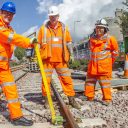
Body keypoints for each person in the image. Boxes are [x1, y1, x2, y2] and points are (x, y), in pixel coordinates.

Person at [0, 1, 37, 126]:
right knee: (10, 90)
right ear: (1, 12)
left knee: (11, 90)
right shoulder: (1, 27)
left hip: (3, 67)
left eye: (11, 14)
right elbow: (12, 38)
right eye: (6, 13)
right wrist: (28, 41)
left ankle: (16, 117)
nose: (8, 15)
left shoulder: (8, 27)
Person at [38, 6, 80, 109]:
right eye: (51, 16)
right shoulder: (43, 29)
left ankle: (71, 100)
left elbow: (69, 42)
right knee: (46, 80)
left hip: (61, 59)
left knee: (67, 79)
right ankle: (47, 100)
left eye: (55, 16)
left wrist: (72, 55)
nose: (53, 18)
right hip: (47, 60)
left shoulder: (64, 28)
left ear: (58, 16)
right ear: (49, 16)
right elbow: (38, 43)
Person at [84, 19, 119, 105]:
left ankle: (107, 99)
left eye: (101, 28)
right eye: (97, 28)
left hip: (104, 67)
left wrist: (109, 62)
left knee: (105, 84)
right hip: (92, 66)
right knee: (89, 83)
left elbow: (115, 53)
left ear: (105, 29)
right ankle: (89, 97)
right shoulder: (92, 39)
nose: (98, 29)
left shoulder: (111, 39)